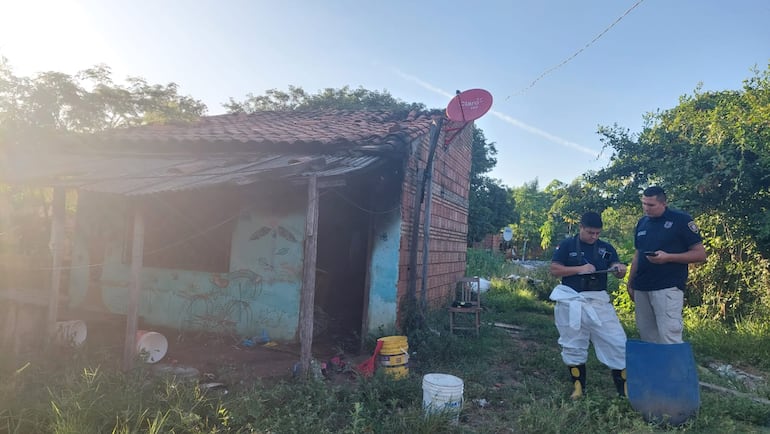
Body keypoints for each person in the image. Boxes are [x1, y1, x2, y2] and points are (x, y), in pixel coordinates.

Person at [549, 211, 628, 399]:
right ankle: (578, 388)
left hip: (599, 302)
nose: (594, 237)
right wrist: (580, 269)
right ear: (581, 228)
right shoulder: (567, 245)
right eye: (590, 232)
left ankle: (624, 390)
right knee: (573, 344)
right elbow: (554, 269)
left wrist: (619, 269)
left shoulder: (605, 248)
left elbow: (617, 268)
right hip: (572, 300)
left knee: (618, 342)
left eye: (597, 233)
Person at [627, 186, 707, 344]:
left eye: (651, 205)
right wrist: (630, 282)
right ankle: (656, 368)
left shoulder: (681, 220)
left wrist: (669, 257)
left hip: (667, 287)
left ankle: (675, 368)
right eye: (644, 204)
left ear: (663, 203)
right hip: (642, 286)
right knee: (647, 337)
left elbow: (700, 254)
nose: (646, 208)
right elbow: (638, 254)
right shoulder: (642, 223)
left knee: (669, 335)